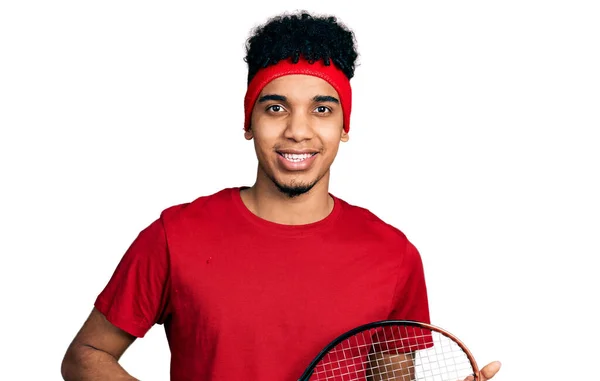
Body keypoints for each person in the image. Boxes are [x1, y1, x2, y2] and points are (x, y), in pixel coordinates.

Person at [61, 10, 501, 381]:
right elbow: (85, 356)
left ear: (344, 127)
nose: (298, 130)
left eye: (322, 109)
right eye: (275, 107)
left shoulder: (394, 255)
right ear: (248, 121)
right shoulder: (174, 236)